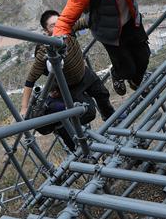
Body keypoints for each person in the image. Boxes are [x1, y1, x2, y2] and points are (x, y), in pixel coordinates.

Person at [19, 10, 114, 150]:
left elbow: (87, 21)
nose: (58, 27)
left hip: (84, 73)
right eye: (52, 25)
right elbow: (30, 80)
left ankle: (112, 120)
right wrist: (24, 107)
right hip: (70, 86)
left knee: (102, 93)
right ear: (46, 31)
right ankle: (65, 129)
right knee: (88, 113)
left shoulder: (68, 28)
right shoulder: (44, 51)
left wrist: (108, 13)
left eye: (59, 22)